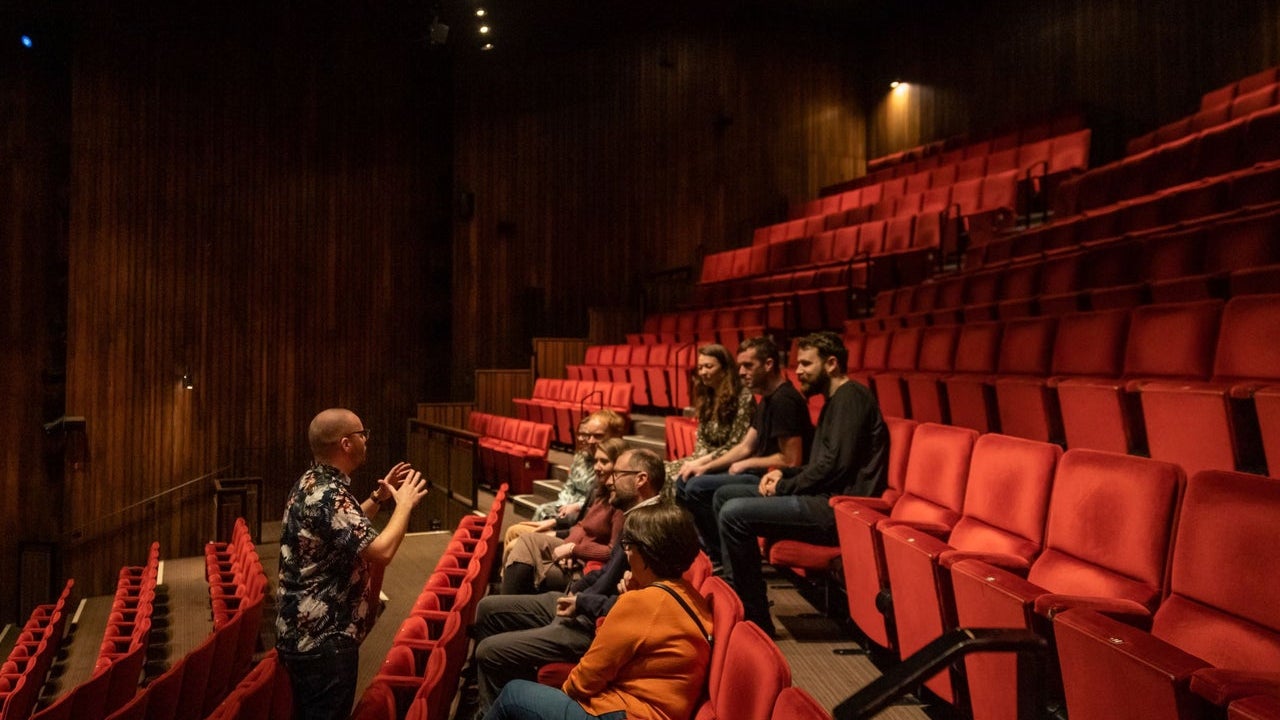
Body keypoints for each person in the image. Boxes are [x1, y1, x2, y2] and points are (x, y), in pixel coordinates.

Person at [469, 448, 666, 716]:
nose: (609, 480)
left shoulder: (653, 528)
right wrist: (576, 590)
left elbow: (632, 606)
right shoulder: (636, 517)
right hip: (583, 603)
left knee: (489, 651)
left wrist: (581, 601)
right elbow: (607, 572)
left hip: (590, 624)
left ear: (641, 479)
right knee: (489, 609)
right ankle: (497, 695)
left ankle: (497, 710)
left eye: (617, 474)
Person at [715, 331, 888, 635]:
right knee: (724, 496)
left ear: (832, 364)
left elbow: (835, 466)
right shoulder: (835, 400)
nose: (799, 372)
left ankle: (753, 617)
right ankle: (737, 595)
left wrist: (783, 486)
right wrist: (784, 474)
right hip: (822, 497)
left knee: (734, 514)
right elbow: (822, 464)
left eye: (807, 364)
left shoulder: (852, 399)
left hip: (837, 508)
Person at [483, 503, 712, 720]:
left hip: (630, 714)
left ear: (646, 553)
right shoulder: (690, 596)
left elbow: (585, 679)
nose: (627, 554)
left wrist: (557, 700)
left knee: (514, 696)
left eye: (629, 546)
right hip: (653, 709)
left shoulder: (643, 603)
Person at [275, 408, 429, 720]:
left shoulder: (313, 481)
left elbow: (345, 528)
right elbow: (381, 550)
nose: (366, 440)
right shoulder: (329, 495)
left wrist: (379, 497)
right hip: (322, 639)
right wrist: (405, 504)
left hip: (308, 635)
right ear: (346, 443)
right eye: (362, 434)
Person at [675, 336, 812, 562]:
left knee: (697, 488)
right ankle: (712, 553)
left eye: (748, 366)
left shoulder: (784, 400)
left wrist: (746, 463)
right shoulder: (767, 399)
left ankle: (719, 556)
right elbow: (746, 446)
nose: (740, 372)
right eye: (739, 366)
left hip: (773, 478)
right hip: (756, 472)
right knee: (687, 480)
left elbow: (791, 459)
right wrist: (707, 466)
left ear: (768, 365)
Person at [500, 437, 628, 595]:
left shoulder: (620, 503)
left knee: (519, 547)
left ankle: (506, 603)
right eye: (596, 461)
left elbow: (612, 551)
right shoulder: (601, 491)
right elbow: (582, 526)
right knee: (525, 538)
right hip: (575, 547)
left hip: (585, 564)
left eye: (604, 462)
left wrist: (574, 549)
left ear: (619, 466)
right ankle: (507, 598)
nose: (597, 467)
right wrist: (569, 545)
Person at [513, 410, 626, 541]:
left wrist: (574, 509)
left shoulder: (615, 469)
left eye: (598, 436)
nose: (590, 441)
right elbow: (570, 486)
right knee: (531, 520)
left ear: (615, 436)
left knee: (525, 535)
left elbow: (593, 515)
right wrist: (563, 504)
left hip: (582, 521)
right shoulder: (584, 458)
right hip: (573, 511)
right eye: (588, 435)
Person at [662, 344, 756, 499]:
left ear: (725, 369)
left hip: (726, 463)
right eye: (700, 368)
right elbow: (702, 439)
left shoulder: (743, 397)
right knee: (660, 471)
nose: (703, 372)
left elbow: (736, 444)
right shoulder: (707, 396)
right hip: (703, 458)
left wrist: (700, 463)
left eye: (708, 366)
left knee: (676, 477)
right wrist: (696, 460)